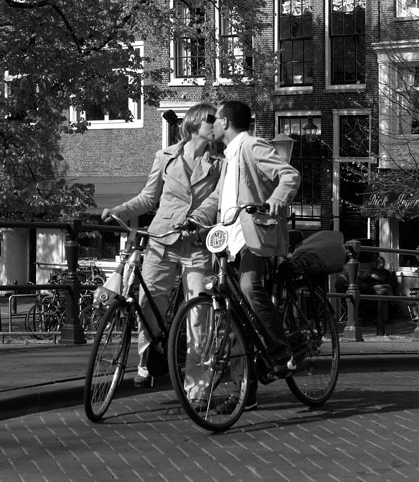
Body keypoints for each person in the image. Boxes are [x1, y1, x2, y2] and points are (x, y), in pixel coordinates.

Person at [101, 102, 223, 388]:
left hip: (196, 244)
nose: (217, 124)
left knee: (199, 314)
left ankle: (197, 387)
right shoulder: (165, 156)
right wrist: (119, 211)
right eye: (211, 119)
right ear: (194, 122)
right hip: (161, 240)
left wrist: (198, 218)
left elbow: (216, 199)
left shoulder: (221, 163)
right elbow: (148, 198)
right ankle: (150, 362)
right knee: (148, 303)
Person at [191, 99, 301, 412]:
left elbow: (289, 174)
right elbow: (217, 198)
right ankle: (246, 393)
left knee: (250, 287)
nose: (211, 124)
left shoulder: (251, 146)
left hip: (253, 239)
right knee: (234, 315)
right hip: (228, 244)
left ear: (225, 122)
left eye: (215, 119)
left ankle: (282, 352)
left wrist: (277, 198)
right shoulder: (228, 157)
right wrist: (194, 218)